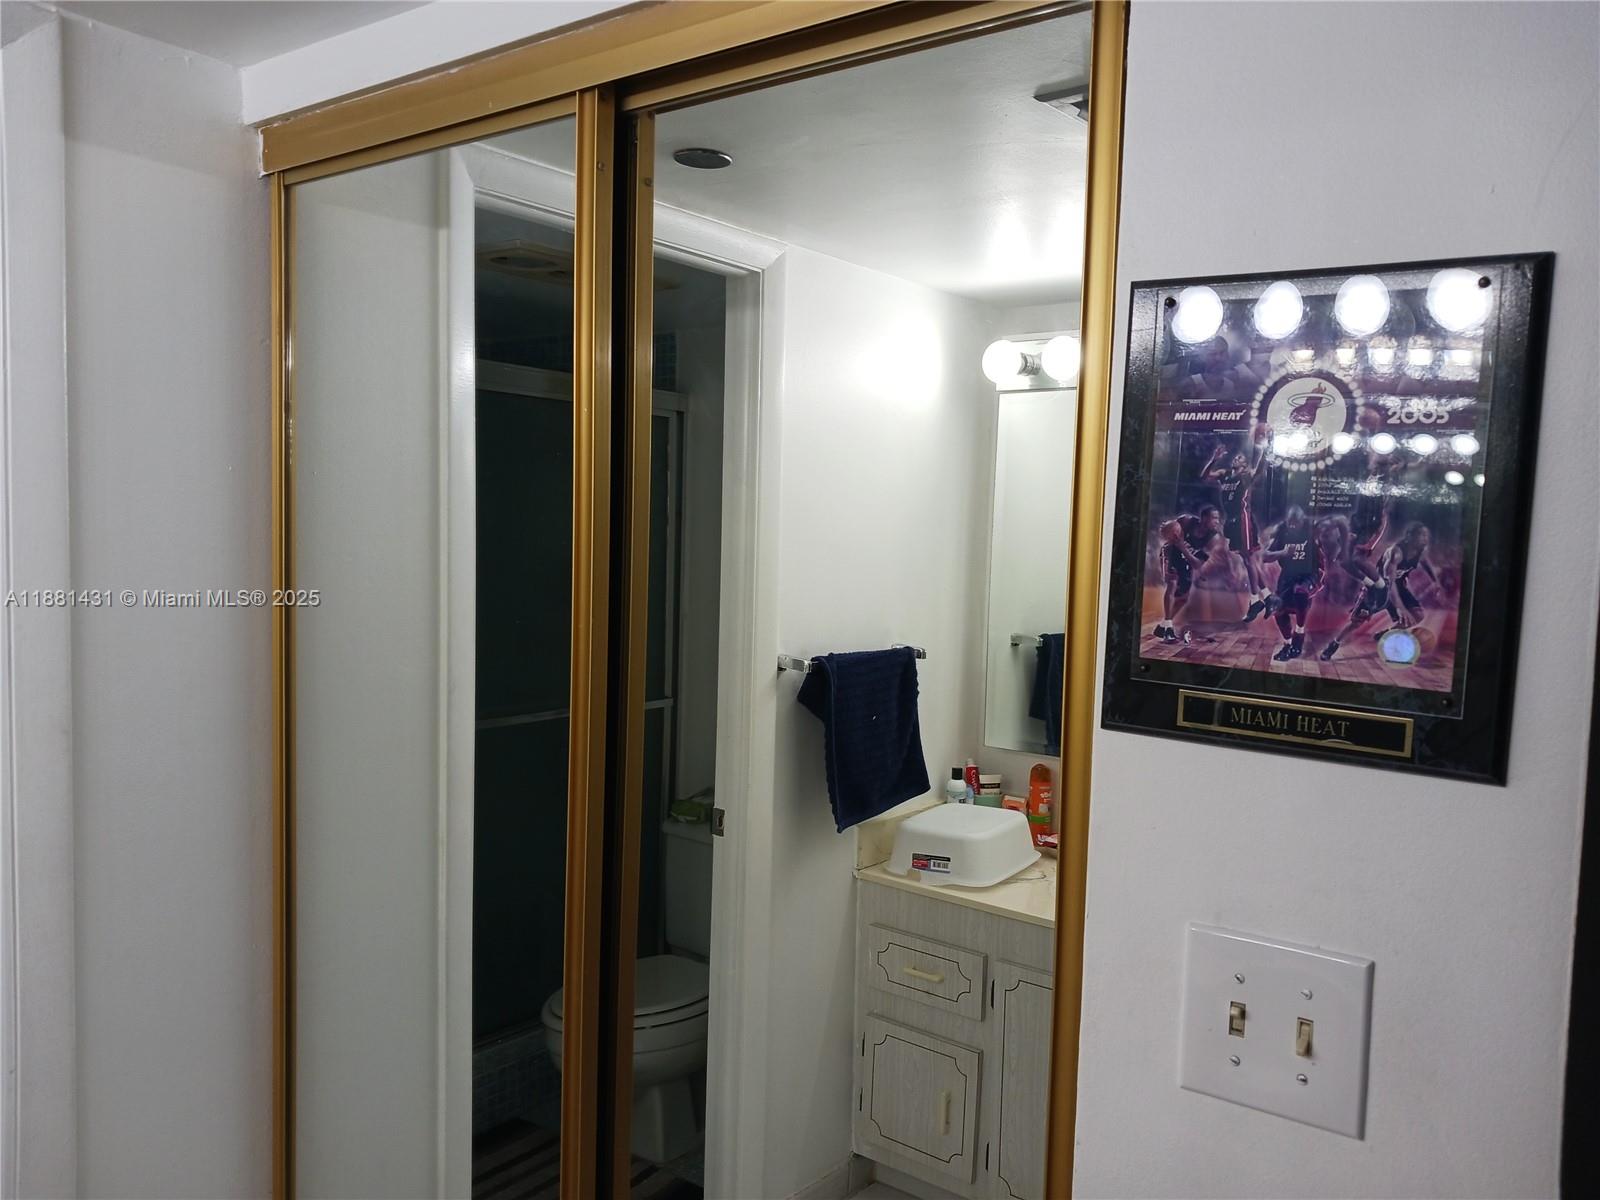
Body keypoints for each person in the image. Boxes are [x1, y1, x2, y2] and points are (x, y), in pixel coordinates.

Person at [1320, 522, 1438, 661]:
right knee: (1356, 622)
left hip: (1398, 587)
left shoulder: (1421, 551)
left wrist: (1435, 581)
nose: (1425, 538)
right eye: (1421, 535)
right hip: (1378, 590)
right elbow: (1390, 584)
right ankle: (1334, 644)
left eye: (1426, 535)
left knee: (1417, 615)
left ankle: (1385, 634)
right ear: (1409, 536)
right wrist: (1400, 608)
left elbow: (1425, 563)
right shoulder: (1396, 553)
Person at [1201, 426, 1271, 619]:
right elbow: (1205, 477)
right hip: (1231, 522)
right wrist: (1214, 459)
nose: (1236, 458)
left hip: (1243, 519)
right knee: (1247, 559)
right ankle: (1267, 596)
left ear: (1245, 464)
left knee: (1248, 559)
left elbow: (1261, 467)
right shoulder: (1225, 474)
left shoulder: (1246, 476)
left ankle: (1256, 600)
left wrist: (1265, 448)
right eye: (1236, 457)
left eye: (1240, 458)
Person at [1153, 506, 1224, 645]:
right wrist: (1167, 529)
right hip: (1170, 553)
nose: (1217, 521)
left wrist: (1183, 548)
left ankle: (1163, 626)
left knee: (1184, 598)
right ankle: (1168, 629)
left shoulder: (1213, 538)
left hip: (1186, 559)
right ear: (1204, 518)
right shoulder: (1186, 521)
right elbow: (1168, 530)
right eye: (1214, 518)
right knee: (1172, 584)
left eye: (1218, 518)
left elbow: (1197, 564)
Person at [1262, 505, 1324, 662]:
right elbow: (1265, 556)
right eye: (1290, 522)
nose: (1293, 526)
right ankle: (1287, 643)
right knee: (1278, 608)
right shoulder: (1282, 531)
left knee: (1300, 592)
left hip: (1310, 575)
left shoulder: (1312, 531)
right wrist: (1282, 552)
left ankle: (1299, 634)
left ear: (1303, 521)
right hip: (1288, 576)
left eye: (1296, 522)